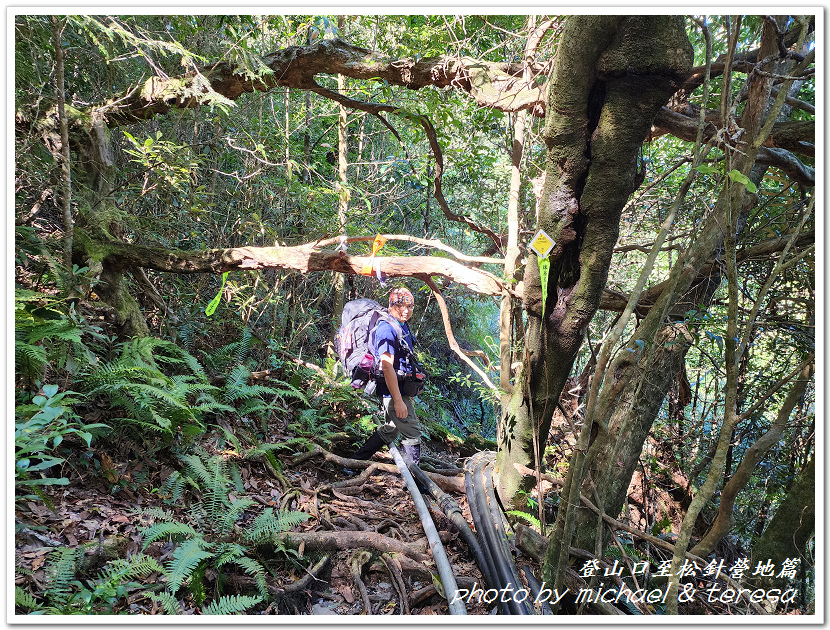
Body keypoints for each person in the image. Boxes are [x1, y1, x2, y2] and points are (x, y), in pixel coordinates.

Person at [350, 286, 422, 465]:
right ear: (391, 306)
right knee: (412, 432)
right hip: (391, 391)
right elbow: (387, 367)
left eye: (409, 307)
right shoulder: (386, 329)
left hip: (400, 388)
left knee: (391, 429)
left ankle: (355, 463)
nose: (406, 311)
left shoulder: (401, 325)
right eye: (400, 306)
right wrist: (398, 400)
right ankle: (413, 477)